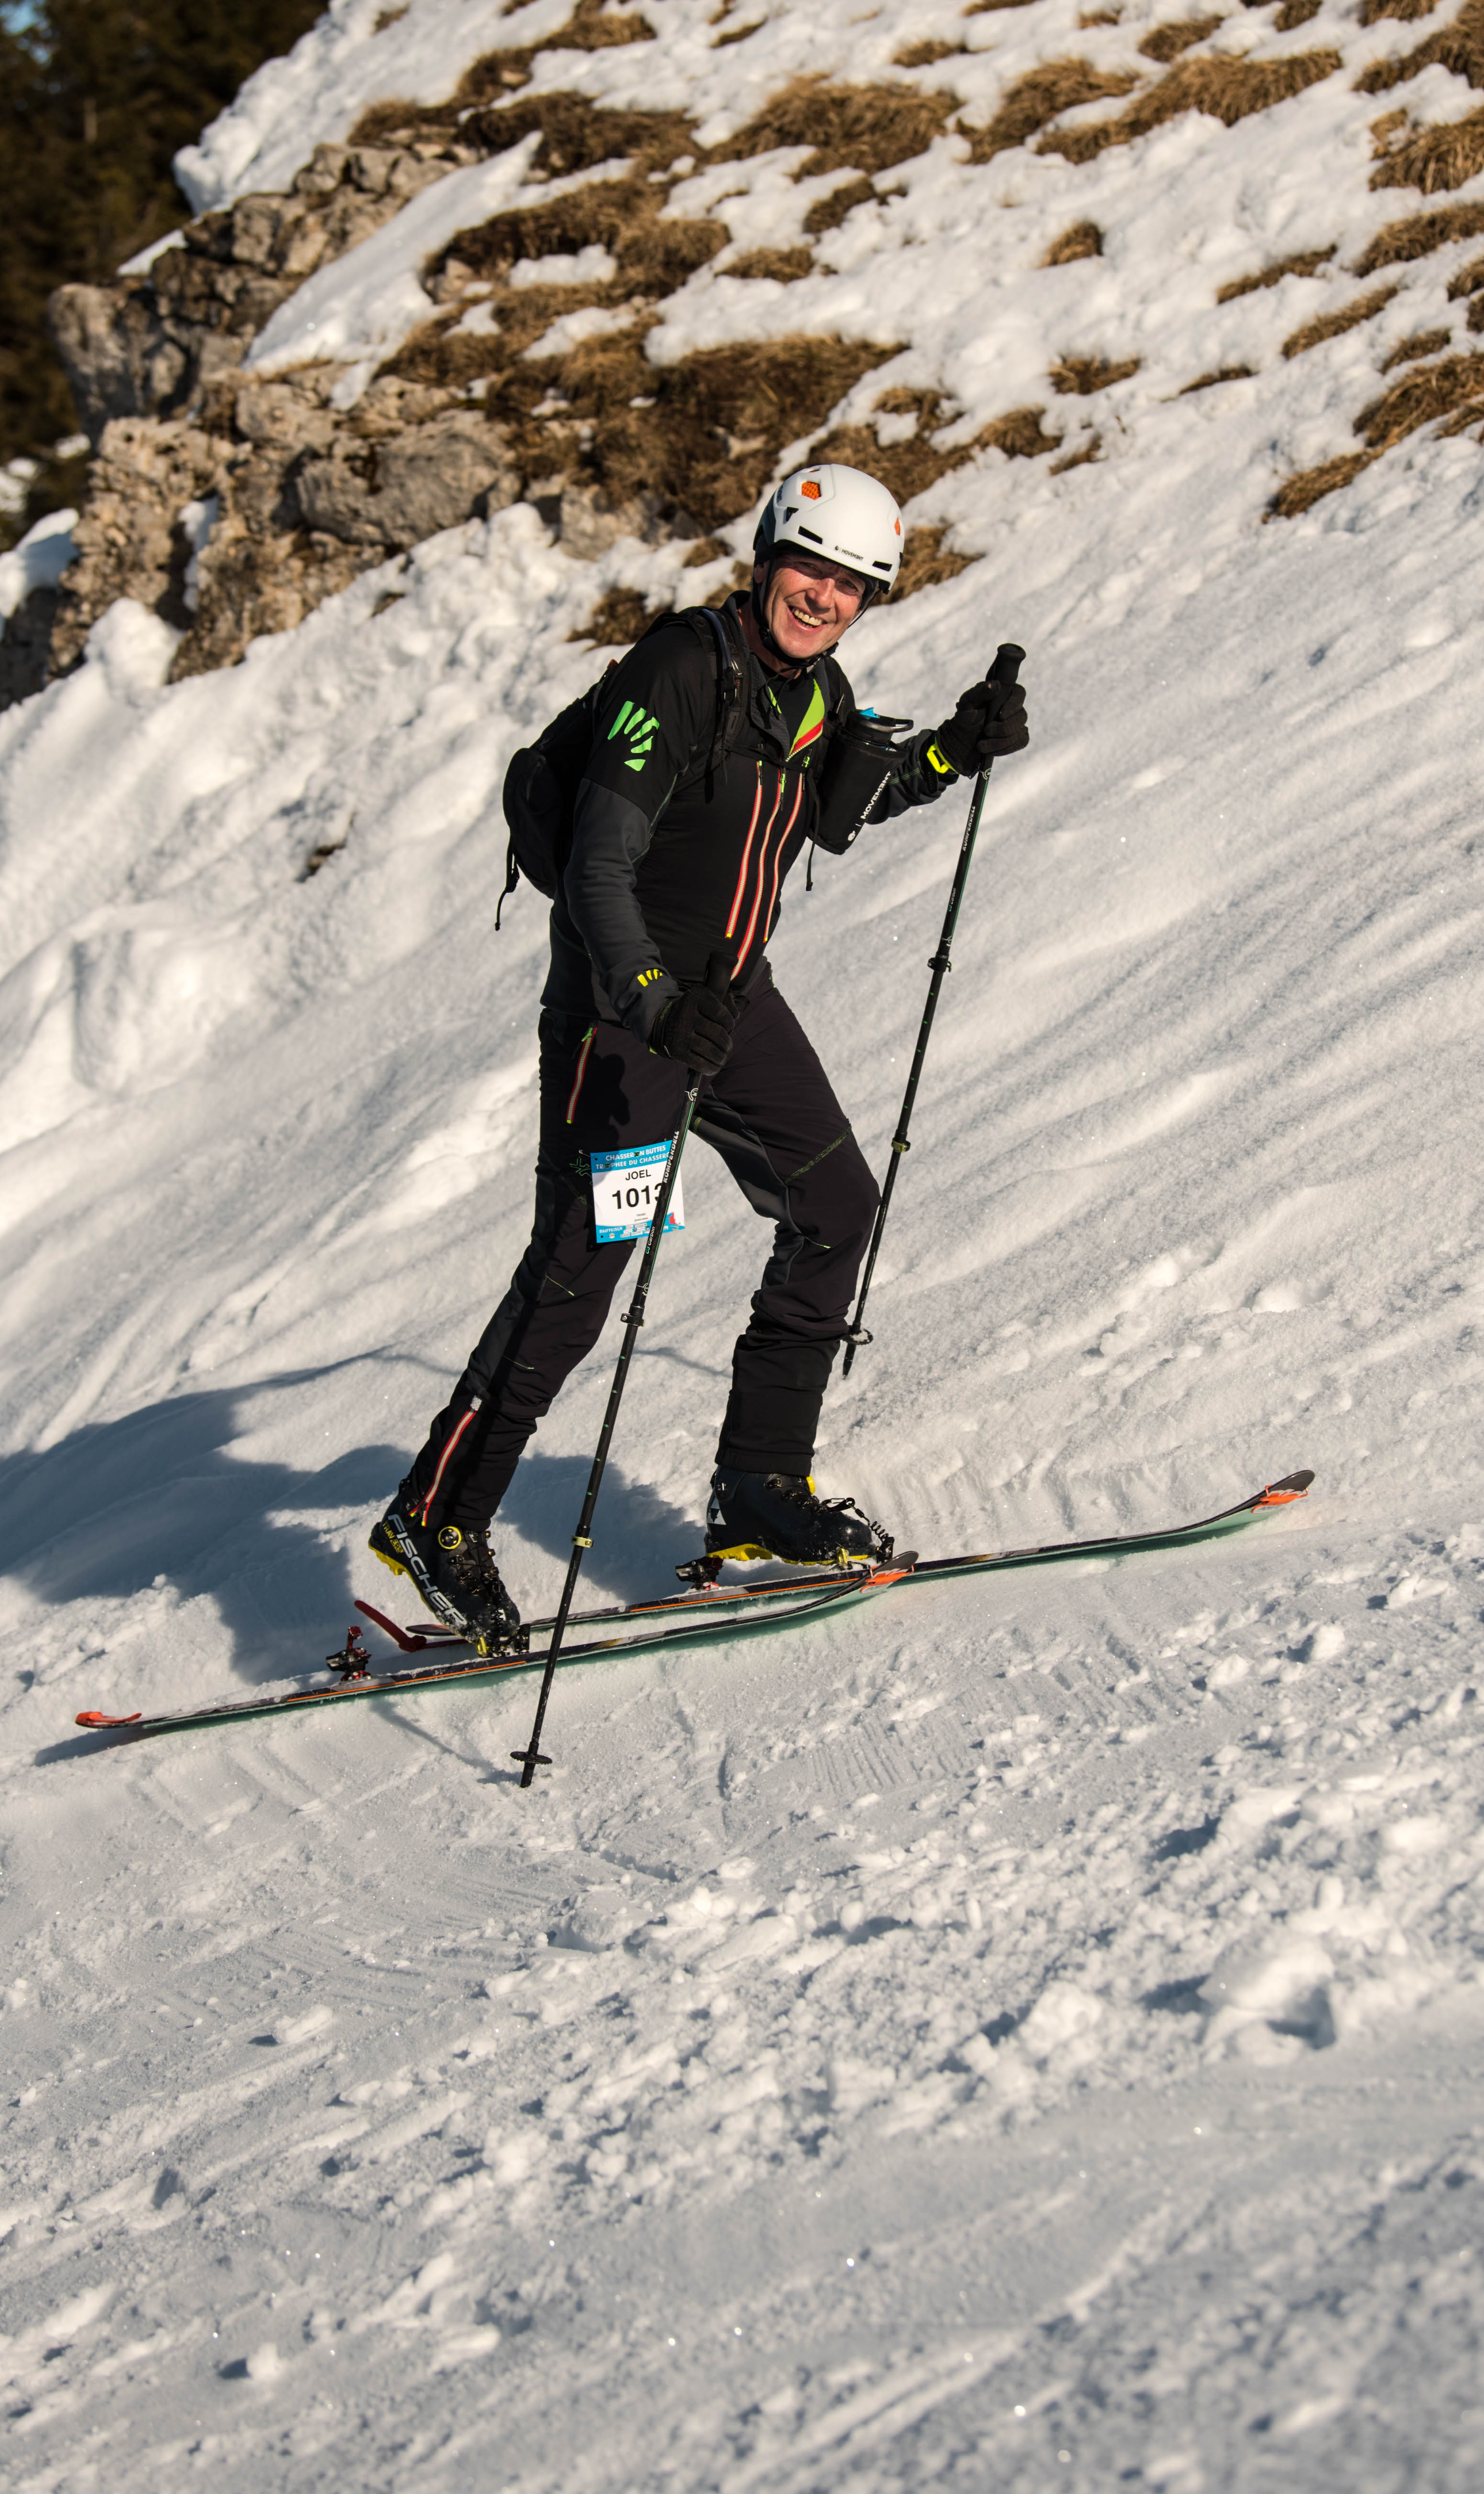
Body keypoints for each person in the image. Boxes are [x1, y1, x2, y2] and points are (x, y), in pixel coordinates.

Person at [368, 461, 1029, 1652]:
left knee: (835, 1204)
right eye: (811, 569)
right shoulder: (679, 670)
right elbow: (597, 864)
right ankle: (435, 1514)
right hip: (623, 1017)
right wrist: (651, 1003)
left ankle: (759, 1489)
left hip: (729, 1006)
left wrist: (948, 754)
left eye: (853, 585)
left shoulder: (816, 693)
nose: (825, 597)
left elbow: (843, 807)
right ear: (767, 557)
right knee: (580, 1274)